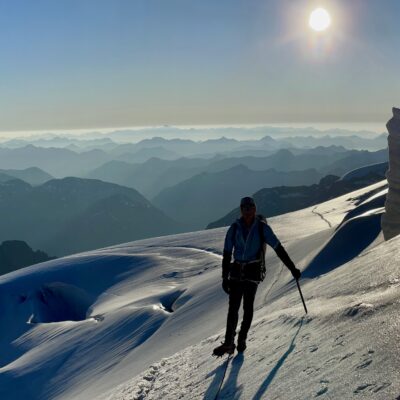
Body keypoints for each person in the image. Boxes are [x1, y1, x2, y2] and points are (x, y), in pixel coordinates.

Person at [212, 196, 301, 357]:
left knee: (246, 307)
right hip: (238, 271)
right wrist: (224, 277)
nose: (247, 211)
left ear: (254, 209)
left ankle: (241, 339)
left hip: (251, 272)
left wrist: (292, 268)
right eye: (245, 208)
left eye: (250, 207)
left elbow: (278, 248)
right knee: (234, 308)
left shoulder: (261, 228)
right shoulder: (235, 228)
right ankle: (229, 342)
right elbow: (226, 254)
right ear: (241, 210)